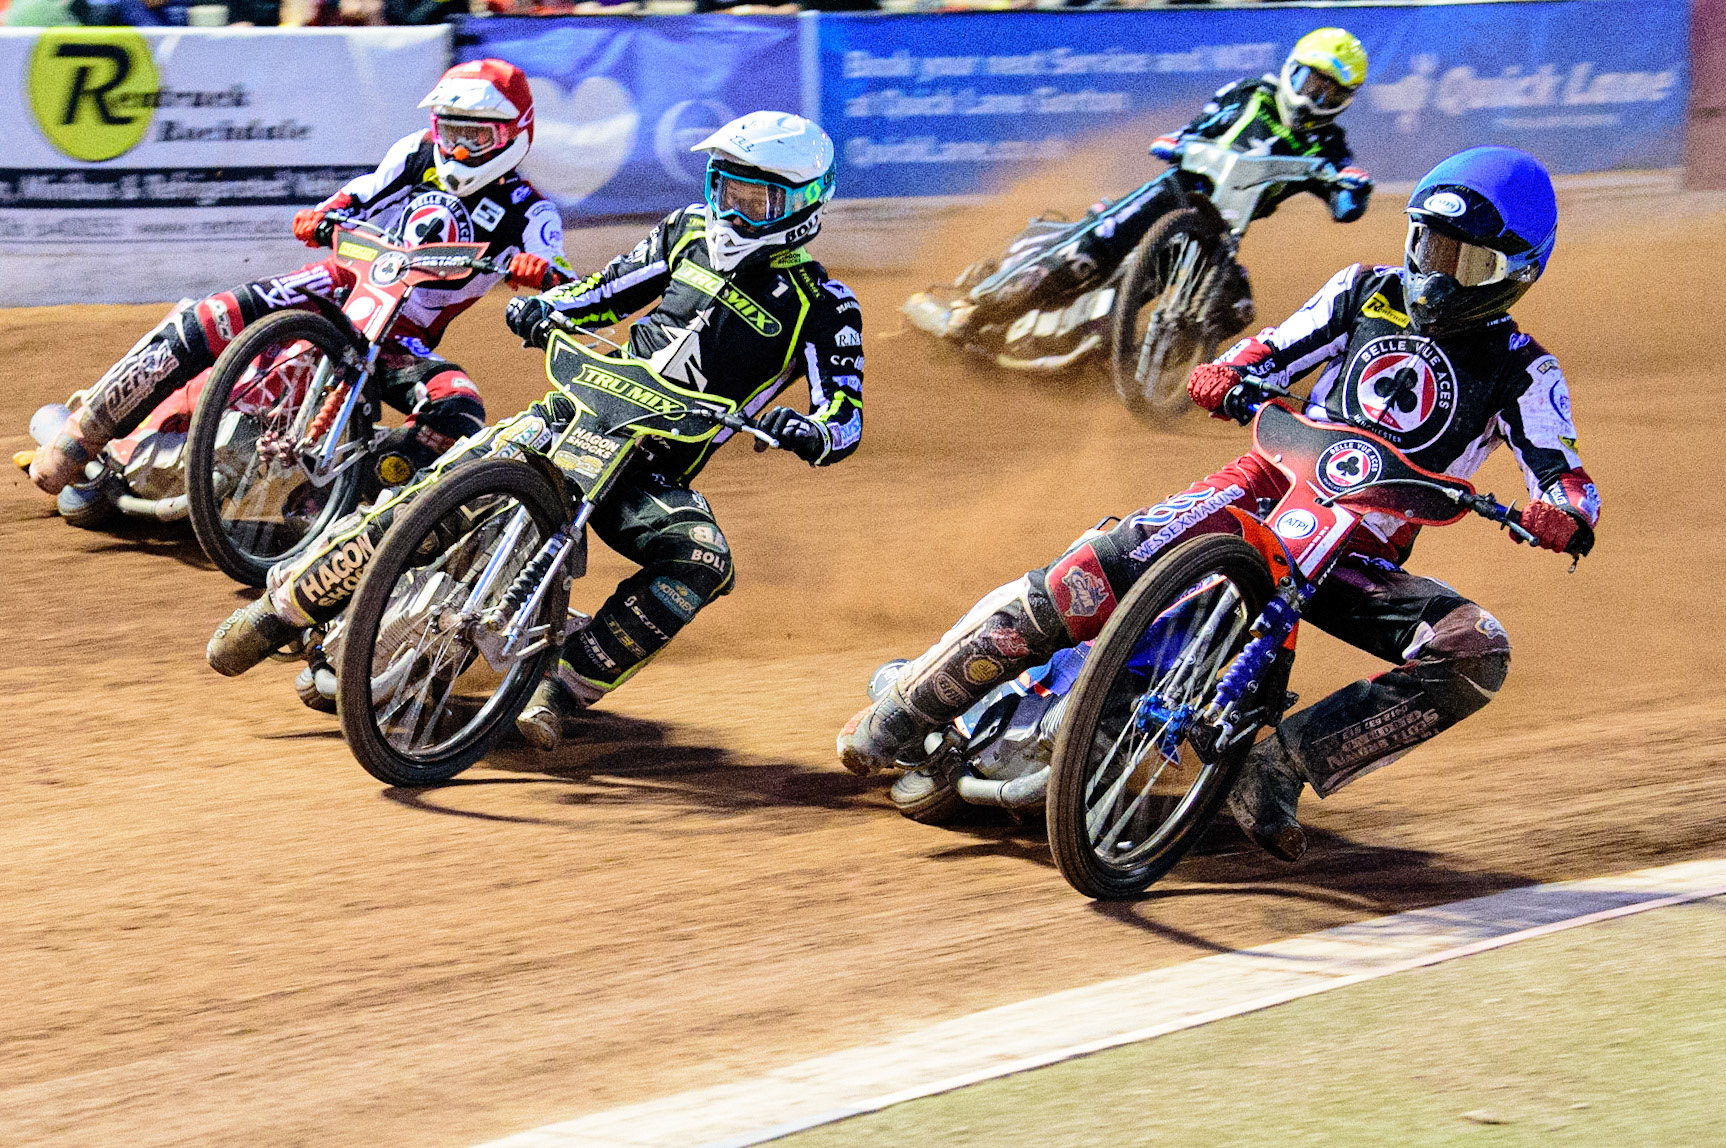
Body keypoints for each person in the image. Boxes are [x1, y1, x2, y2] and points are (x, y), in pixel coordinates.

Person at [840, 146, 1598, 862]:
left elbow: (1563, 471)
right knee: (1091, 572)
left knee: (1475, 648)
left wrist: (1564, 511)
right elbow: (1274, 348)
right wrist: (1228, 371)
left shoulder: (1525, 370)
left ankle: (1276, 765)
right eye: (1430, 246)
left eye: (1466, 261)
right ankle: (905, 711)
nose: (1439, 272)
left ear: (1517, 273)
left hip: (1353, 558)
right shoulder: (1363, 290)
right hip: (1261, 487)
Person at [206, 111, 865, 750]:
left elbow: (845, 416)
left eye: (758, 199)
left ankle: (565, 684)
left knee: (703, 559)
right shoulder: (685, 231)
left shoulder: (825, 304)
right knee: (444, 487)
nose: (735, 210)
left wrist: (809, 431)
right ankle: (283, 608)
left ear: (803, 206)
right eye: (727, 189)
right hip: (575, 413)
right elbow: (604, 291)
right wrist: (544, 307)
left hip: (651, 469)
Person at [28, 59, 569, 501]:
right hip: (343, 285)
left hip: (398, 339)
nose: (457, 150)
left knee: (461, 403)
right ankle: (83, 434)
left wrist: (539, 273)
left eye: (475, 137)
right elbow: (359, 194)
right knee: (221, 311)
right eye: (450, 131)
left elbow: (564, 280)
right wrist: (324, 213)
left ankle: (355, 496)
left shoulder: (531, 212)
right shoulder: (415, 153)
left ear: (514, 135)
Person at [949, 27, 1374, 333]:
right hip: (1174, 195)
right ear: (1290, 70)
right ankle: (976, 307)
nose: (1313, 98)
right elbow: (1200, 127)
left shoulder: (1329, 145)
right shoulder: (1252, 94)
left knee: (1236, 308)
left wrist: (1354, 190)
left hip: (1219, 238)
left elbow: (1344, 205)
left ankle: (1143, 367)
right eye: (1309, 82)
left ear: (1343, 101)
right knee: (1085, 254)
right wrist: (1178, 141)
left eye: (1329, 94)